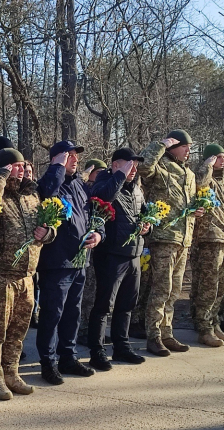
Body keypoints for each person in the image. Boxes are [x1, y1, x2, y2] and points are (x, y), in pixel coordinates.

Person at [0, 149, 56, 400]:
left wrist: (49, 233)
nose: (21, 170)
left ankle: (12, 373)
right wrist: (0, 175)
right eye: (15, 166)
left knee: (18, 330)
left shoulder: (31, 194)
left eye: (23, 166)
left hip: (26, 275)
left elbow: (48, 222)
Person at [35, 140, 104, 385]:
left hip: (79, 260)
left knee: (72, 313)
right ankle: (48, 362)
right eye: (69, 155)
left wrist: (98, 234)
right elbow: (47, 195)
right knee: (53, 314)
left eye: (75, 155)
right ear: (57, 159)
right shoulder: (49, 181)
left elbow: (91, 216)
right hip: (56, 261)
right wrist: (57, 168)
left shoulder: (80, 186)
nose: (74, 159)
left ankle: (68, 356)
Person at [137, 130, 204, 356]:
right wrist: (161, 145)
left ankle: (167, 332)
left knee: (174, 290)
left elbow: (189, 202)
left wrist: (197, 210)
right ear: (174, 146)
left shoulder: (190, 174)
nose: (188, 151)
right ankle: (153, 335)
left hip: (183, 239)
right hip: (164, 238)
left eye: (190, 147)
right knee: (161, 288)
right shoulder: (161, 166)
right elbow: (143, 167)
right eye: (185, 146)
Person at [87, 148, 149, 370]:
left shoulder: (137, 189)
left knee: (126, 305)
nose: (133, 169)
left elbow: (143, 213)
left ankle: (121, 347)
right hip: (112, 255)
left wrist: (146, 225)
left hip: (133, 255)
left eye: (135, 165)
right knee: (105, 305)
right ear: (115, 165)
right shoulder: (105, 181)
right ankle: (97, 351)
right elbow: (103, 198)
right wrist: (120, 176)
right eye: (128, 165)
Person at [193, 144, 224, 347]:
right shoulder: (206, 177)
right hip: (209, 238)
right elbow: (200, 185)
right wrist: (207, 166)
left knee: (220, 286)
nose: (223, 161)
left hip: (222, 237)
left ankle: (214, 323)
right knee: (208, 286)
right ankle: (204, 327)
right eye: (219, 157)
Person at [77, 158, 107, 346]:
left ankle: (93, 329)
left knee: (95, 292)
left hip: (99, 248)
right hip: (82, 248)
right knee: (85, 293)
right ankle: (82, 330)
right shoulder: (83, 188)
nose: (101, 175)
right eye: (98, 172)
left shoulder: (103, 189)